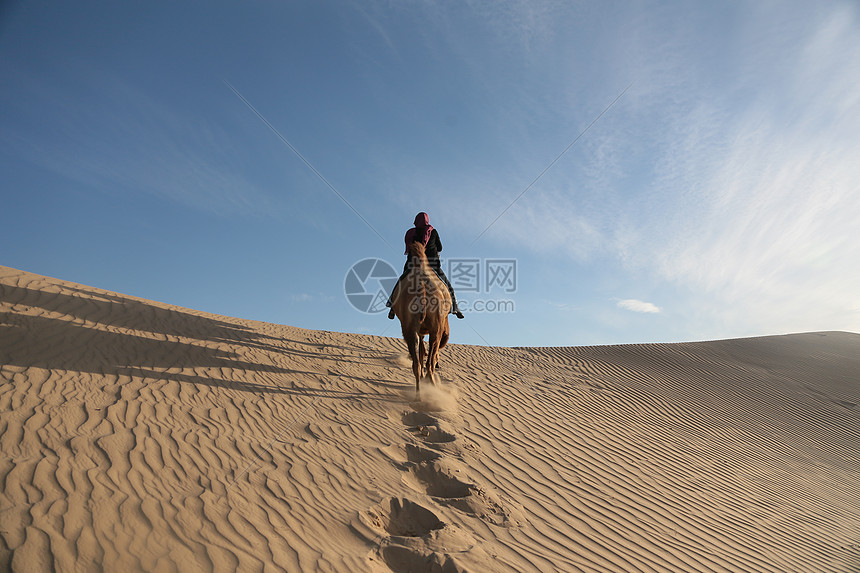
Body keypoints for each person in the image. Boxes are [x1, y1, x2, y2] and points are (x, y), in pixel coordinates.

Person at [387, 212, 464, 319]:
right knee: (448, 286)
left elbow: (409, 248)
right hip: (432, 265)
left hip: (413, 264)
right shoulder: (432, 231)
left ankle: (392, 306)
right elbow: (440, 248)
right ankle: (455, 308)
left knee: (400, 282)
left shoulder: (411, 233)